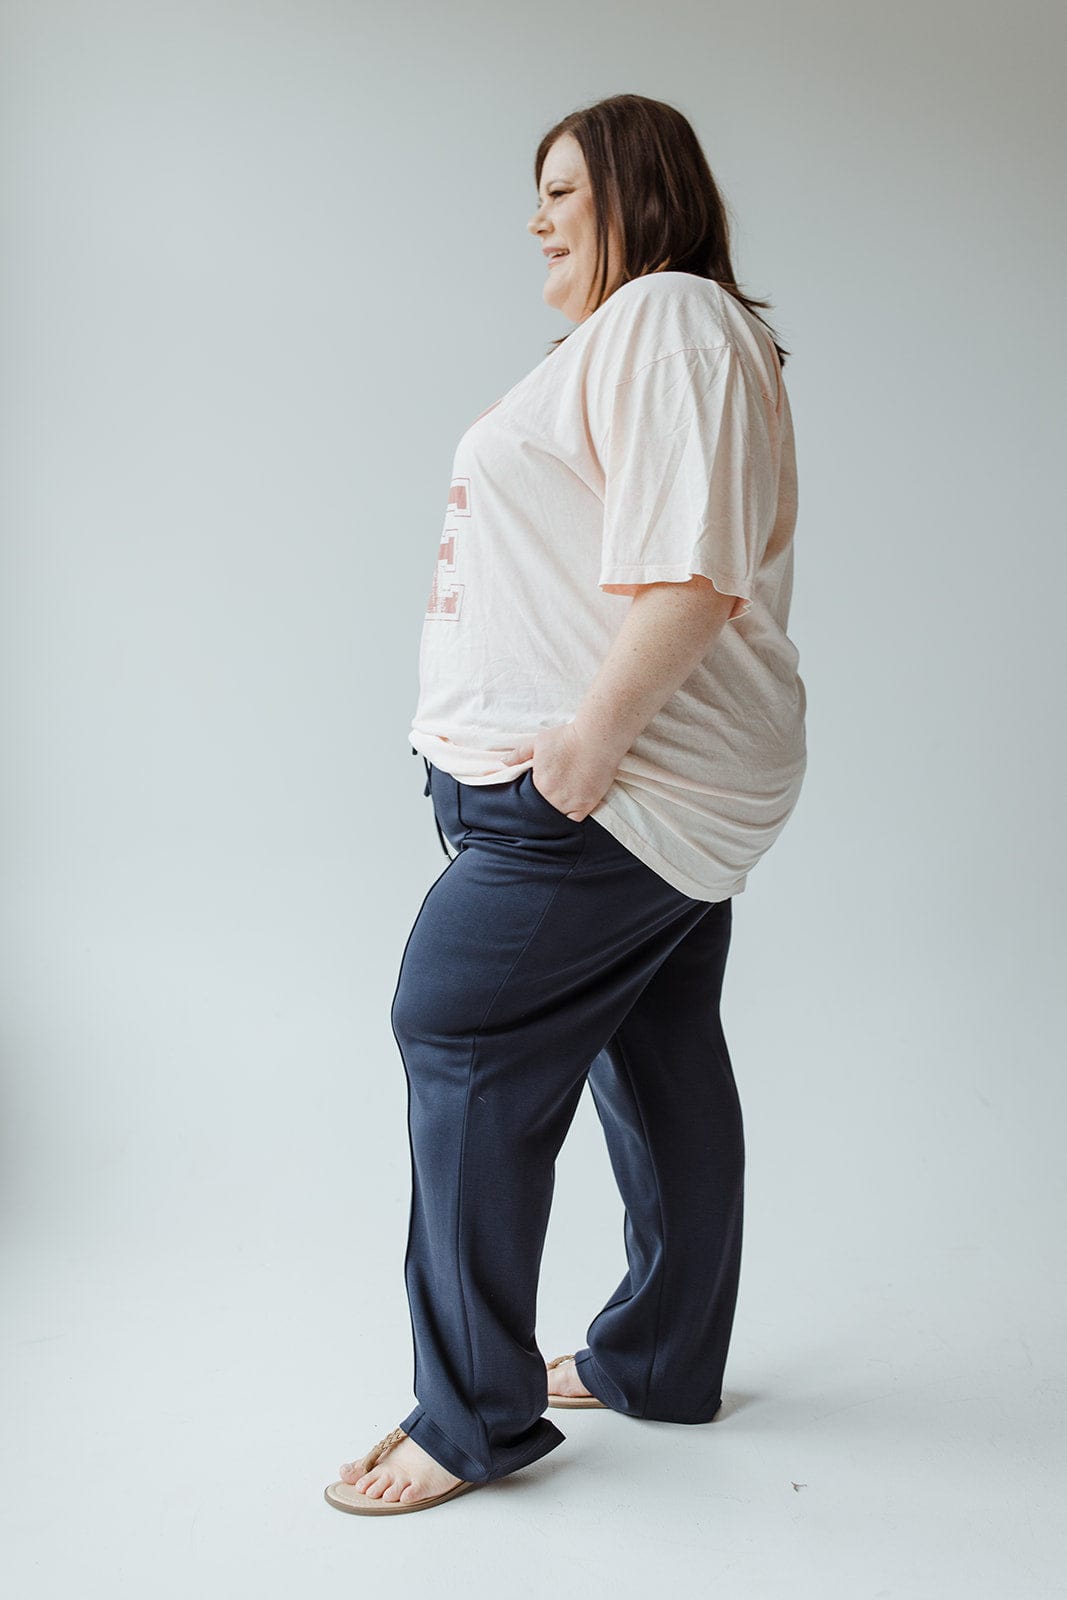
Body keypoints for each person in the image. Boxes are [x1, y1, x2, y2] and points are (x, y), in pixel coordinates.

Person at [325, 92, 807, 1517]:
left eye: (560, 190)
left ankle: (468, 1414)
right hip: (611, 789)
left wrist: (589, 745)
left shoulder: (669, 315)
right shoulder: (643, 333)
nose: (535, 219)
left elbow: (697, 573)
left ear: (638, 192)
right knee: (655, 1045)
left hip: (611, 789)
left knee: (456, 1023)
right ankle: (660, 1357)